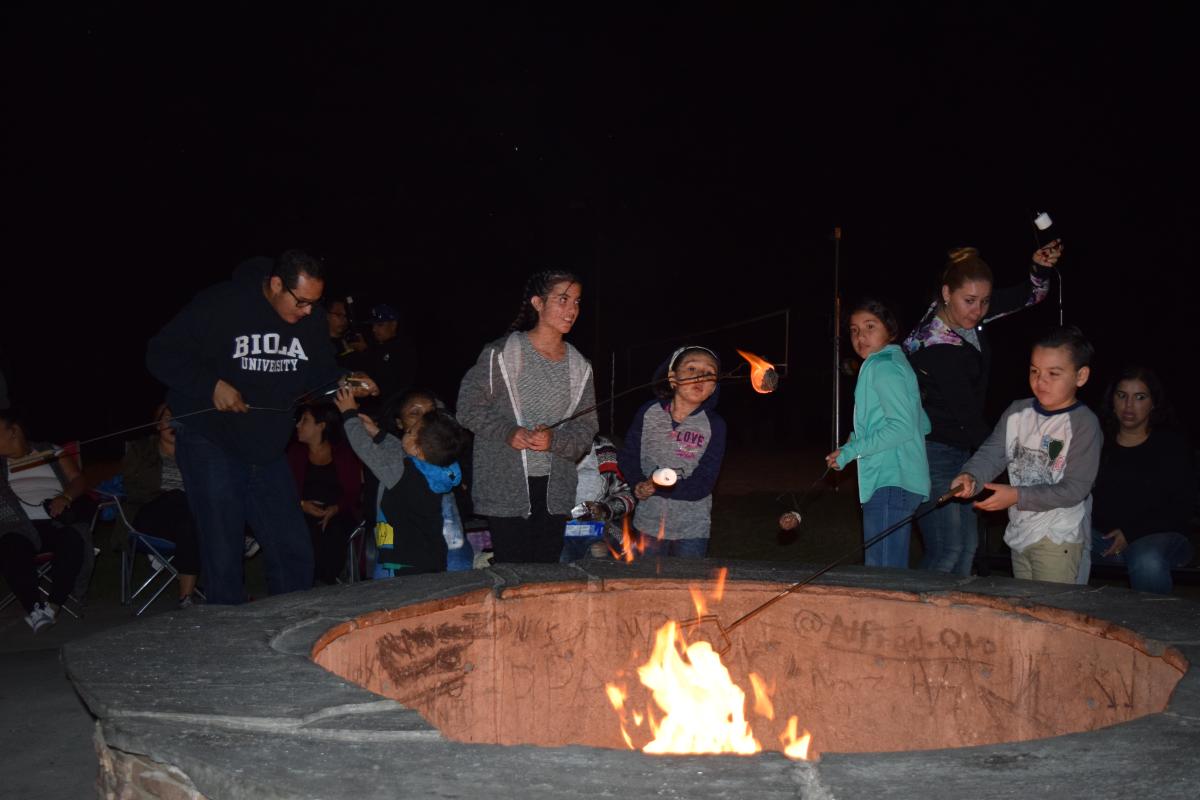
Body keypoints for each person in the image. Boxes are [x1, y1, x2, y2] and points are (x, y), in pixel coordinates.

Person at [145, 249, 378, 605]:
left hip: (266, 445)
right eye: (301, 302)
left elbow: (319, 376)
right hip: (212, 438)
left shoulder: (310, 319)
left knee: (292, 546)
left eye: (314, 303)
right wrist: (212, 386)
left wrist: (348, 380)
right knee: (223, 548)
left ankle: (291, 624)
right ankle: (230, 631)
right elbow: (161, 353)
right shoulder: (221, 303)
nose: (308, 311)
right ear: (276, 284)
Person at [903, 240, 1064, 575]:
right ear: (946, 293)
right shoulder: (935, 345)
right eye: (970, 301)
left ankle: (953, 609)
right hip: (932, 453)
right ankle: (914, 607)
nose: (977, 311)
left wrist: (1040, 268)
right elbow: (968, 419)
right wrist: (1013, 463)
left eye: (985, 301)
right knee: (947, 550)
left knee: (968, 548)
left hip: (962, 449)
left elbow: (1031, 296)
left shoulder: (966, 311)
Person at [456, 270, 598, 564]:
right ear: (538, 303)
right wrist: (509, 432)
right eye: (562, 299)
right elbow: (468, 408)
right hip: (506, 487)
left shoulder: (580, 367)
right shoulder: (500, 354)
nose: (572, 309)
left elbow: (586, 428)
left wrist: (554, 440)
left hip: (554, 490)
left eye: (576, 301)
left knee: (546, 574)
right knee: (514, 574)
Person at [951, 326, 1101, 584]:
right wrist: (971, 476)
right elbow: (992, 454)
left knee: (1051, 607)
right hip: (1020, 533)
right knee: (1025, 604)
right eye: (1034, 371)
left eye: (1053, 373)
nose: (1041, 381)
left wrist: (1017, 496)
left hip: (1058, 537)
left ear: (1081, 376)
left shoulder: (1083, 423)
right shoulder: (1017, 412)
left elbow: (1075, 488)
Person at [803, 300, 930, 568]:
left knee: (882, 576)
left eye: (870, 327)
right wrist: (854, 442)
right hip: (901, 480)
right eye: (854, 330)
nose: (860, 336)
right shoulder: (897, 363)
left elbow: (902, 427)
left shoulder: (881, 367)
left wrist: (852, 450)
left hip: (889, 481)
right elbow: (922, 423)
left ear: (890, 330)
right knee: (888, 572)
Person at [1076, 367, 1195, 593]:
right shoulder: (1098, 441)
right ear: (1112, 400)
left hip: (1158, 536)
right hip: (1103, 538)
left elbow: (1182, 506)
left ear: (1153, 403)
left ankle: (1151, 617)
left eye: (1140, 397)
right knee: (1064, 542)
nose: (1129, 405)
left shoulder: (1170, 445)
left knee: (1147, 560)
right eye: (1122, 396)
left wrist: (1130, 533)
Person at [336, 388, 468, 576]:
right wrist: (377, 433)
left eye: (411, 432)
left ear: (417, 448)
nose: (407, 432)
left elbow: (365, 449)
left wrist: (349, 414)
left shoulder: (403, 473)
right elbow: (404, 452)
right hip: (431, 556)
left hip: (404, 561)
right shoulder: (434, 468)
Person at [618, 346, 727, 558]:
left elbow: (704, 482)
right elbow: (629, 456)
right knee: (646, 578)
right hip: (648, 523)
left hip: (692, 529)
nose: (700, 376)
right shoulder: (648, 413)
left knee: (686, 579)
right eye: (692, 368)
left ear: (713, 387)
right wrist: (638, 483)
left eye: (709, 373)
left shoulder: (715, 425)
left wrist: (657, 487)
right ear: (672, 378)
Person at [0, 409, 90, 632]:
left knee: (73, 539)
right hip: (17, 526)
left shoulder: (51, 451)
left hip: (55, 520)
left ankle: (53, 606)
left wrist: (65, 497)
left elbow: (78, 480)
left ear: (13, 432)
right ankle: (34, 609)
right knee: (9, 545)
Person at [119, 403, 202, 607]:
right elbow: (130, 486)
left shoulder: (195, 451)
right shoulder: (141, 449)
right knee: (178, 497)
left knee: (188, 525)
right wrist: (165, 495)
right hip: (148, 513)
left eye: (179, 419)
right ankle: (239, 536)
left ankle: (186, 598)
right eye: (168, 419)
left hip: (189, 516)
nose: (174, 423)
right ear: (157, 425)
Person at [288, 403, 363, 585]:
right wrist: (302, 504)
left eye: (305, 420)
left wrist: (336, 508)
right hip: (302, 510)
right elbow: (283, 490)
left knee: (333, 531)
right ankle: (309, 582)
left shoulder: (343, 454)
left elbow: (354, 492)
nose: (298, 424)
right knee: (304, 530)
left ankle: (327, 582)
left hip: (339, 512)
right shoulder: (294, 454)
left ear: (321, 426)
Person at [561, 434, 635, 562]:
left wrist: (604, 509)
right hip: (558, 529)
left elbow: (626, 495)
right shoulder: (545, 445)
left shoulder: (603, 448)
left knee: (616, 549)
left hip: (597, 528)